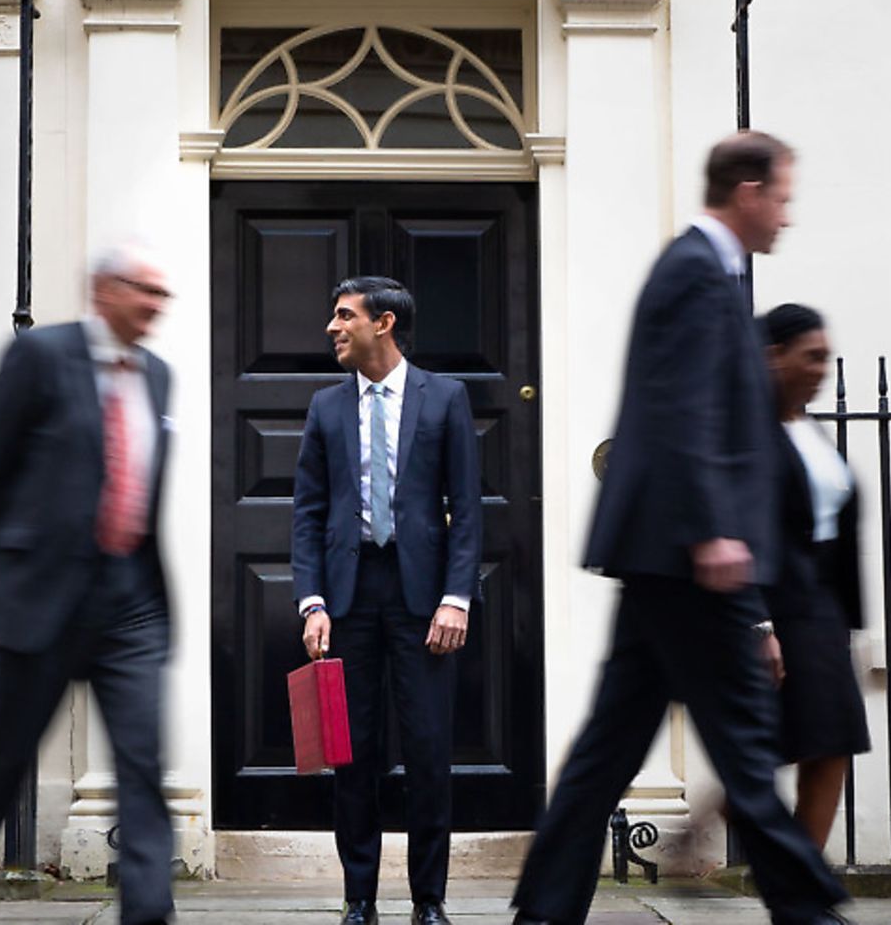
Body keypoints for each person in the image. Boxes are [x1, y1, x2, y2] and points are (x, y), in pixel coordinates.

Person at [509, 133, 853, 925]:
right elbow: (682, 409)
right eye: (782, 198)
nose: (786, 217)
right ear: (745, 189)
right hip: (690, 557)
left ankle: (543, 909)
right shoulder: (697, 272)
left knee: (608, 750)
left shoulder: (711, 272)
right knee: (741, 738)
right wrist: (713, 532)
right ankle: (810, 907)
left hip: (665, 556)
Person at [0, 245, 177, 925]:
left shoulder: (157, 376)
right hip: (45, 601)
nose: (155, 305)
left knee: (142, 768)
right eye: (142, 290)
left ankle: (149, 916)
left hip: (130, 603)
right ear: (102, 291)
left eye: (162, 295)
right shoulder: (42, 357)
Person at [292, 276, 482, 925]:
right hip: (348, 600)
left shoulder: (446, 398)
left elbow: (468, 507)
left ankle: (429, 900)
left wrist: (457, 597)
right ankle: (359, 900)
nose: (332, 327)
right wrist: (312, 602)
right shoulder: (324, 408)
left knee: (429, 753)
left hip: (423, 600)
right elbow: (308, 514)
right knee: (351, 757)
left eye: (345, 316)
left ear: (385, 324)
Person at [758, 303, 870, 850]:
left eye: (827, 357)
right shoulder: (750, 429)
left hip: (822, 609)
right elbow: (743, 529)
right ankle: (794, 879)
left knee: (832, 745)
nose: (823, 369)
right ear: (775, 356)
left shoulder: (810, 429)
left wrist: (853, 627)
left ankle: (802, 877)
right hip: (778, 606)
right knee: (761, 754)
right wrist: (759, 624)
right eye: (813, 356)